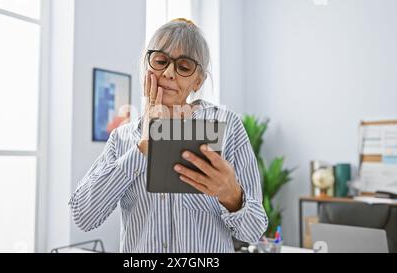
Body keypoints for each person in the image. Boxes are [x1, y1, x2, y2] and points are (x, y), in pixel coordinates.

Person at [69, 18, 268, 253]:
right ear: (147, 67)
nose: (169, 73)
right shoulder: (122, 138)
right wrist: (143, 146)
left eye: (184, 66)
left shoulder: (227, 128)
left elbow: (255, 231)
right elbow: (83, 216)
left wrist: (232, 196)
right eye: (161, 61)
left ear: (198, 81)